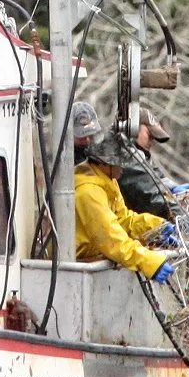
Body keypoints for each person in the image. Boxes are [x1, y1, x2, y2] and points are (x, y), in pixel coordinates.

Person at [70, 101, 174, 283]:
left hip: (95, 263)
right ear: (105, 163)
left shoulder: (108, 180)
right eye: (120, 164)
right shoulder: (88, 192)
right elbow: (110, 239)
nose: (123, 169)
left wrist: (158, 227)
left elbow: (124, 220)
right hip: (78, 274)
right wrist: (149, 262)